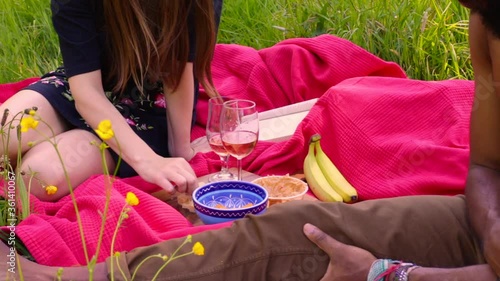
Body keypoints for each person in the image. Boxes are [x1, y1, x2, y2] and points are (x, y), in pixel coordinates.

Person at [2, 0, 500, 280]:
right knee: (8, 129)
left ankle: (13, 244)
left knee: (41, 171)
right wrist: (150, 164)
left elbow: (180, 75)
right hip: (82, 90)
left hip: (140, 109)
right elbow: (86, 94)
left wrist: (173, 152)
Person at [0, 0, 223, 201]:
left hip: (150, 104)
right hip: (87, 84)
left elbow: (178, 69)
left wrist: (175, 149)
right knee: (4, 134)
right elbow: (86, 89)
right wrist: (148, 161)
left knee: (34, 177)